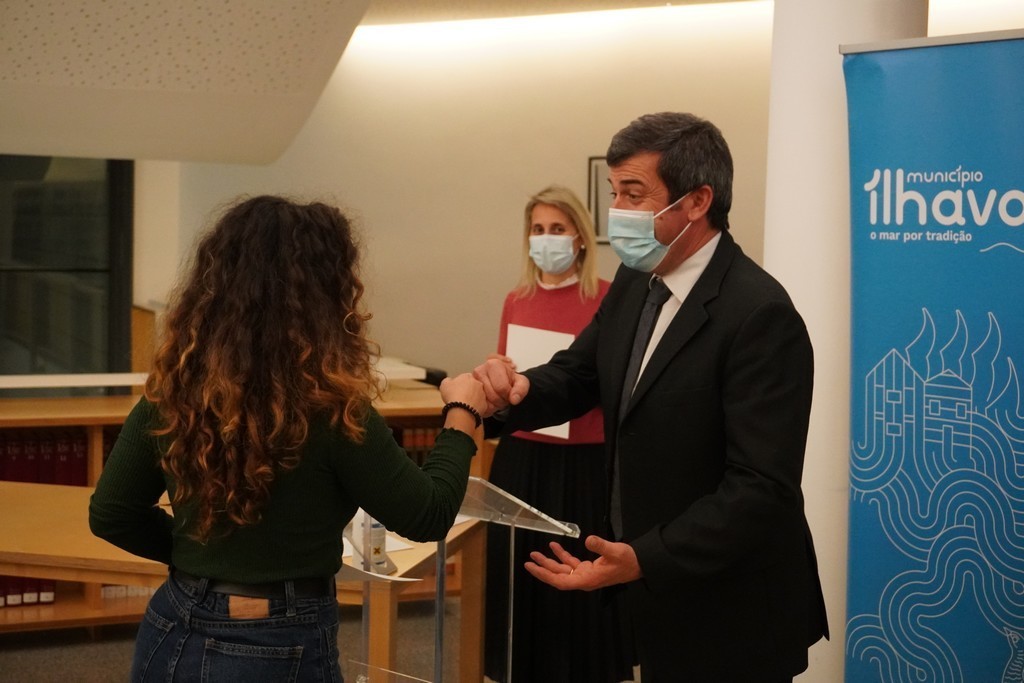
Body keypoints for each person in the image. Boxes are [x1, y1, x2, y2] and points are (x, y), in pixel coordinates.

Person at [474, 113, 829, 683]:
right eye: (614, 192)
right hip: (650, 593)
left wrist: (644, 559)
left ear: (697, 201)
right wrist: (511, 394)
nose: (617, 210)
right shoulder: (637, 280)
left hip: (730, 610)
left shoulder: (759, 314)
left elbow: (762, 487)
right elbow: (579, 374)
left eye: (634, 194)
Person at [88, 195, 487, 682]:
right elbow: (428, 514)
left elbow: (112, 513)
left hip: (172, 623)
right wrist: (463, 413)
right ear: (327, 295)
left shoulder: (174, 393)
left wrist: (200, 557)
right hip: (278, 639)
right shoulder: (332, 411)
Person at [483, 186, 633, 683]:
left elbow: (611, 379)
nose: (546, 238)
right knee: (521, 574)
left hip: (584, 462)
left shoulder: (607, 297)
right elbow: (510, 378)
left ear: (580, 237)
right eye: (538, 229)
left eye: (557, 228)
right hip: (523, 458)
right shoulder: (516, 299)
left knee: (579, 573)